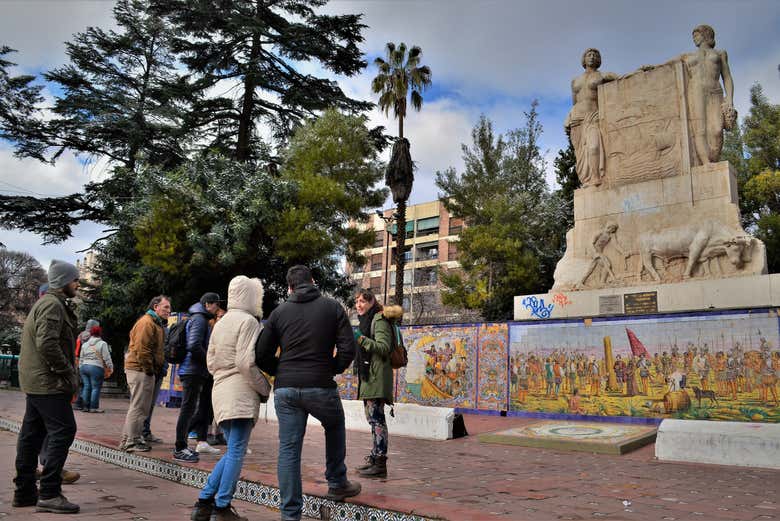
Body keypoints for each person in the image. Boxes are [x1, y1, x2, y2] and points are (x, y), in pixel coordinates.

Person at [255, 265, 360, 521]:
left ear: (289, 287)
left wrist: (281, 370)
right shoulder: (333, 307)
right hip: (320, 385)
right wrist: (330, 369)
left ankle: (290, 515)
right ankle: (337, 482)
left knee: (289, 449)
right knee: (334, 426)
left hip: (286, 389)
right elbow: (348, 348)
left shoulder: (279, 313)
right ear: (313, 281)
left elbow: (261, 355)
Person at [190, 276, 269, 521]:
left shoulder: (220, 322)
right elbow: (246, 362)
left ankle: (204, 502)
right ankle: (222, 507)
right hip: (242, 391)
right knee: (237, 451)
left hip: (221, 391)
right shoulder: (249, 321)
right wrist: (264, 388)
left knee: (233, 449)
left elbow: (211, 362)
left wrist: (224, 378)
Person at [13, 260, 81, 513]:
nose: (77, 284)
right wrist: (66, 372)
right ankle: (50, 492)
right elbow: (47, 344)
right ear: (64, 281)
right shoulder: (53, 305)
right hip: (48, 382)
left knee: (32, 436)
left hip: (37, 380)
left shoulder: (47, 303)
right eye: (75, 280)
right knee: (64, 430)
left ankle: (25, 491)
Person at [352, 289, 401, 479]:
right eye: (357, 301)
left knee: (377, 419)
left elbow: (383, 347)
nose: (359, 305)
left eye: (363, 301)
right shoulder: (368, 320)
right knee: (373, 419)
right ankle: (374, 458)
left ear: (372, 302)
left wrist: (361, 339)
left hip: (377, 377)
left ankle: (380, 463)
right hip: (370, 376)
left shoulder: (379, 320)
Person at [174, 292, 222, 462]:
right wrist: (209, 360)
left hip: (193, 370)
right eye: (216, 304)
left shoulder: (198, 318)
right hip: (193, 371)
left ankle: (183, 445)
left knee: (190, 409)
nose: (217, 309)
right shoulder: (200, 319)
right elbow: (194, 345)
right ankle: (180, 447)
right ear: (208, 304)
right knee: (187, 410)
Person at [119, 295, 170, 452]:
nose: (169, 310)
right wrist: (149, 370)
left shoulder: (154, 323)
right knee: (139, 407)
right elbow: (143, 350)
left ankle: (129, 439)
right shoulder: (147, 323)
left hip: (142, 369)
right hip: (140, 370)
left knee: (140, 406)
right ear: (155, 307)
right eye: (166, 307)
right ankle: (131, 441)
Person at [564, 48, 618, 187]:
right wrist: (568, 117)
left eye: (595, 55)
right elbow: (574, 103)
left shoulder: (602, 76)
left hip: (593, 116)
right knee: (581, 154)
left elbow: (623, 81)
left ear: (599, 59)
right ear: (584, 59)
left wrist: (641, 71)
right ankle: (587, 180)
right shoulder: (575, 81)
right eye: (589, 54)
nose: (592, 57)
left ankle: (595, 177)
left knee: (593, 147)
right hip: (576, 120)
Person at [78, 325, 113, 413]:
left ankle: (85, 407)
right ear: (100, 333)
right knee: (95, 388)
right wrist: (110, 367)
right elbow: (106, 357)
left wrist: (80, 367)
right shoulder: (102, 344)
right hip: (96, 367)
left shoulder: (85, 344)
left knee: (86, 386)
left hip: (84, 367)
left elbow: (81, 357)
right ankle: (93, 407)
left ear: (91, 333)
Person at [73, 318, 99, 411]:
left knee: (81, 383)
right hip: (85, 360)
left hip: (77, 359)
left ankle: (78, 402)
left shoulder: (80, 334)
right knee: (86, 384)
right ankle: (81, 403)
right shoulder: (91, 336)